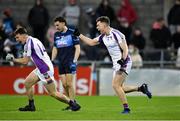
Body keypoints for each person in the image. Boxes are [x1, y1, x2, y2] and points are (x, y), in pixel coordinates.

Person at [73, 16, 152, 114]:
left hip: (124, 61)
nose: (97, 27)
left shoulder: (117, 34)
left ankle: (127, 109)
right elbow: (92, 42)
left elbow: (125, 49)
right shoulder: (103, 36)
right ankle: (141, 88)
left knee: (115, 85)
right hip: (116, 64)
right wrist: (79, 35)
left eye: (98, 25)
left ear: (104, 24)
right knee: (120, 88)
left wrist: (122, 60)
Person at [5, 27, 80, 112]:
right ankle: (31, 105)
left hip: (44, 69)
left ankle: (73, 104)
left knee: (53, 93)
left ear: (23, 35)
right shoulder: (30, 42)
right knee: (27, 83)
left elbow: (25, 61)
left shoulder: (30, 43)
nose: (17, 39)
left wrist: (13, 59)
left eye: (17, 37)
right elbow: (26, 58)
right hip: (41, 68)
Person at [51, 17, 81, 110]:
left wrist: (75, 61)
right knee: (64, 84)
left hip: (70, 61)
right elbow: (55, 48)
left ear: (63, 23)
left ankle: (73, 104)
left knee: (69, 84)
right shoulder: (56, 34)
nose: (56, 27)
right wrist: (51, 60)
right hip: (61, 62)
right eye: (55, 25)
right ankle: (71, 103)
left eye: (57, 25)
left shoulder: (72, 32)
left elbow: (78, 48)